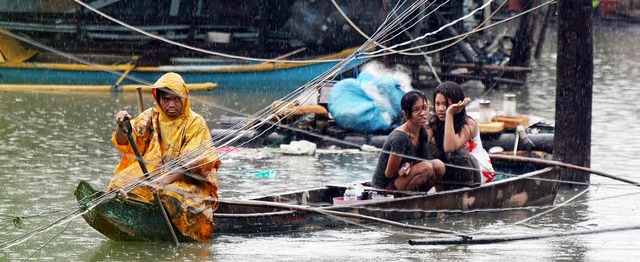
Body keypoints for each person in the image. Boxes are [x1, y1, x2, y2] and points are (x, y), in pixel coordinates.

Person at [109, 72, 221, 241]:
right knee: (118, 184)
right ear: (159, 99)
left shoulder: (195, 123)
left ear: (184, 99)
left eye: (176, 99)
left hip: (189, 182)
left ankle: (182, 234)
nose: (171, 104)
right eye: (166, 99)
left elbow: (191, 164)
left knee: (169, 196)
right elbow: (124, 139)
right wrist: (122, 125)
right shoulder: (152, 116)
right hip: (154, 176)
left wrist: (163, 181)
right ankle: (135, 212)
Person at [372, 90, 445, 191]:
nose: (423, 113)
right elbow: (389, 173)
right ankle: (402, 198)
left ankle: (418, 196)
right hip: (385, 187)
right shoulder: (400, 138)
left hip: (403, 181)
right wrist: (403, 168)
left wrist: (409, 165)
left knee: (439, 166)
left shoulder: (422, 132)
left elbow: (421, 159)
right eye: (416, 110)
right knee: (426, 167)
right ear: (406, 114)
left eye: (425, 108)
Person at [430, 81, 495, 189]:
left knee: (457, 153)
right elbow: (422, 145)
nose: (440, 108)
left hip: (476, 172)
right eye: (437, 104)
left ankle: (464, 195)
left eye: (445, 104)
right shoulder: (434, 122)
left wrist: (450, 114)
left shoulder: (469, 124)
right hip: (452, 169)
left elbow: (450, 147)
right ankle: (440, 192)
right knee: (430, 147)